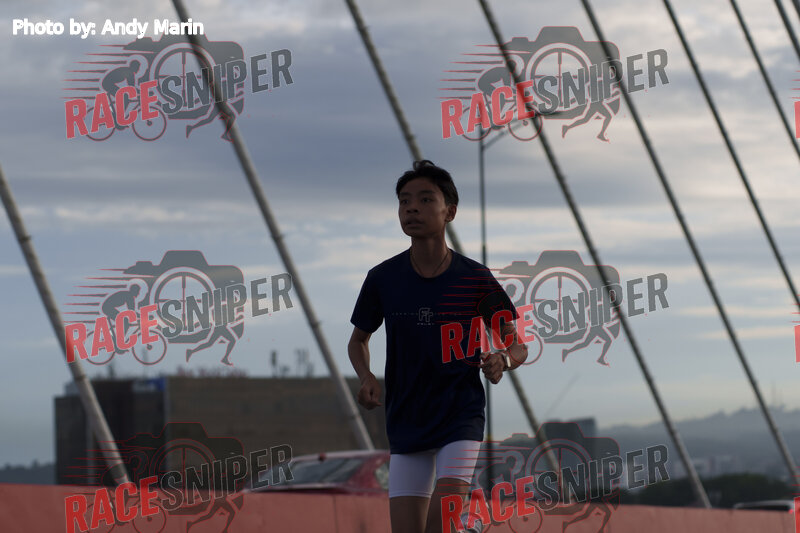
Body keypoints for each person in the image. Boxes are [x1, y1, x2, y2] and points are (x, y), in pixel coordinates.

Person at [348, 160, 529, 533]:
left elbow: (517, 346)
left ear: (450, 212)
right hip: (405, 419)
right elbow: (358, 341)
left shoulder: (475, 278)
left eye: (425, 199)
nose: (411, 208)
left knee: (439, 525)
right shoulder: (382, 278)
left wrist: (504, 361)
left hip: (459, 418)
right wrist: (365, 376)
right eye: (404, 201)